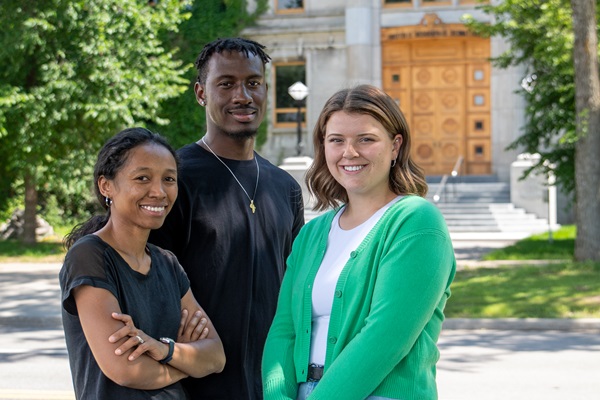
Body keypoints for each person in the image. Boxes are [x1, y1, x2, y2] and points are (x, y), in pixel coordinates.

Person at [262, 84, 456, 400]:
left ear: (395, 146)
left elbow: (386, 338)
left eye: (366, 139)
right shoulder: (313, 233)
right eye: (336, 140)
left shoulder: (416, 222)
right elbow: (284, 329)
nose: (349, 152)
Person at [148, 37, 305, 399]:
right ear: (201, 93)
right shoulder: (175, 179)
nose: (242, 96)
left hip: (273, 384)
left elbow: (295, 292)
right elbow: (150, 287)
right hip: (194, 384)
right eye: (226, 84)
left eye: (253, 83)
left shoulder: (284, 187)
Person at [60, 127, 225, 400]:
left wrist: (165, 351)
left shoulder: (167, 263)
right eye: (142, 178)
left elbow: (216, 357)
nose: (159, 191)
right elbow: (125, 369)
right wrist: (187, 364)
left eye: (169, 179)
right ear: (106, 186)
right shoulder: (89, 256)